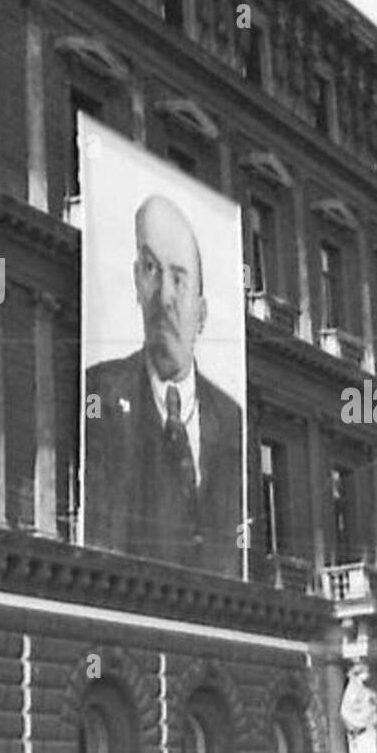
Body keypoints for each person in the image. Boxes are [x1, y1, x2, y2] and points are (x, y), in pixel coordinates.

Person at [84, 194, 243, 575]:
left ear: (202, 314)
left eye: (180, 278)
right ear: (137, 284)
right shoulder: (99, 389)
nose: (165, 296)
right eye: (152, 269)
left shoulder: (232, 417)